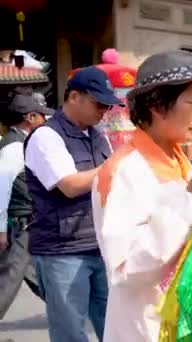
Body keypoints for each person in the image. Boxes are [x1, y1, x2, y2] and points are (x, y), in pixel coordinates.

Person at [91, 50, 192, 341]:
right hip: (146, 327)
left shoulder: (177, 160)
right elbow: (127, 269)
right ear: (158, 105)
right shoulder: (123, 171)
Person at [23, 66, 121, 342]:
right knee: (70, 334)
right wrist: (115, 166)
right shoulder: (46, 137)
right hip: (62, 251)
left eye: (107, 105)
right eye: (98, 103)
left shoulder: (98, 136)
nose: (104, 111)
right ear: (75, 96)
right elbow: (69, 185)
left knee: (113, 327)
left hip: (100, 246)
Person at [0, 94, 49, 318]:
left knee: (32, 273)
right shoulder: (13, 147)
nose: (44, 120)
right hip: (18, 223)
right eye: (41, 115)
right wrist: (1, 229)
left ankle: (68, 305)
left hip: (25, 222)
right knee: (9, 277)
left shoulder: (22, 142)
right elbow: (1, 189)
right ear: (29, 117)